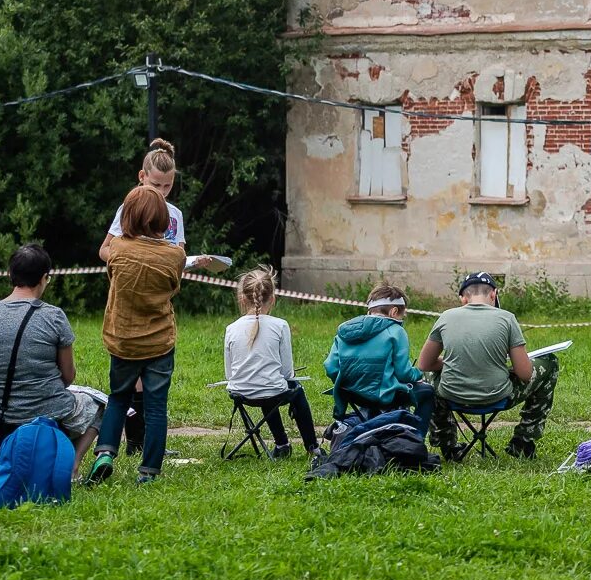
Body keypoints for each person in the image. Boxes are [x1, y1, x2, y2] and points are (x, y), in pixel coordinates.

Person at [97, 138, 211, 455]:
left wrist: (178, 262)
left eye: (167, 186)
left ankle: (133, 446)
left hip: (156, 301)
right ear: (142, 178)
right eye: (156, 185)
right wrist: (134, 261)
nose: (161, 192)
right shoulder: (129, 208)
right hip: (128, 300)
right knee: (132, 386)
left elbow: (177, 258)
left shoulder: (174, 215)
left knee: (140, 387)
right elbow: (106, 250)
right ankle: (138, 448)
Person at [0, 245, 104, 481]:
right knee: (101, 405)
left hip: (0, 419)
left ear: (11, 276)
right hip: (46, 415)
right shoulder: (53, 316)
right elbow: (68, 376)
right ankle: (72, 465)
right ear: (44, 278)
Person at [87, 185, 184, 485]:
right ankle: (149, 471)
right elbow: (172, 288)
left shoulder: (117, 250)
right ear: (162, 220)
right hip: (159, 341)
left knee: (118, 397)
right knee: (156, 406)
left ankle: (105, 453)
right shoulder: (175, 256)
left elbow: (113, 275)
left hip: (123, 338)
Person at [417, 272, 558, 461]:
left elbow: (424, 364)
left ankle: (447, 445)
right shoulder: (507, 318)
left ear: (463, 298)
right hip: (498, 396)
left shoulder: (446, 317)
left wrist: (450, 363)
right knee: (550, 362)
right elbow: (525, 374)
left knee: (426, 379)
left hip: (452, 396)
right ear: (494, 294)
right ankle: (523, 440)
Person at [223, 265, 320, 459]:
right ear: (273, 298)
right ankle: (312, 447)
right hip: (272, 392)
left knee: (269, 383)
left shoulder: (231, 328)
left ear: (242, 298)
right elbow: (287, 372)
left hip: (242, 393)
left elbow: (229, 374)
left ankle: (282, 443)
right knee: (293, 388)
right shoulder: (280, 325)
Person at [324, 282, 434, 436]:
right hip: (383, 396)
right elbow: (403, 374)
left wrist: (350, 382)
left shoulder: (345, 330)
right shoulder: (396, 331)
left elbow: (331, 368)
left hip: (351, 394)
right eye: (403, 315)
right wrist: (418, 373)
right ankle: (416, 440)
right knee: (427, 392)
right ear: (394, 311)